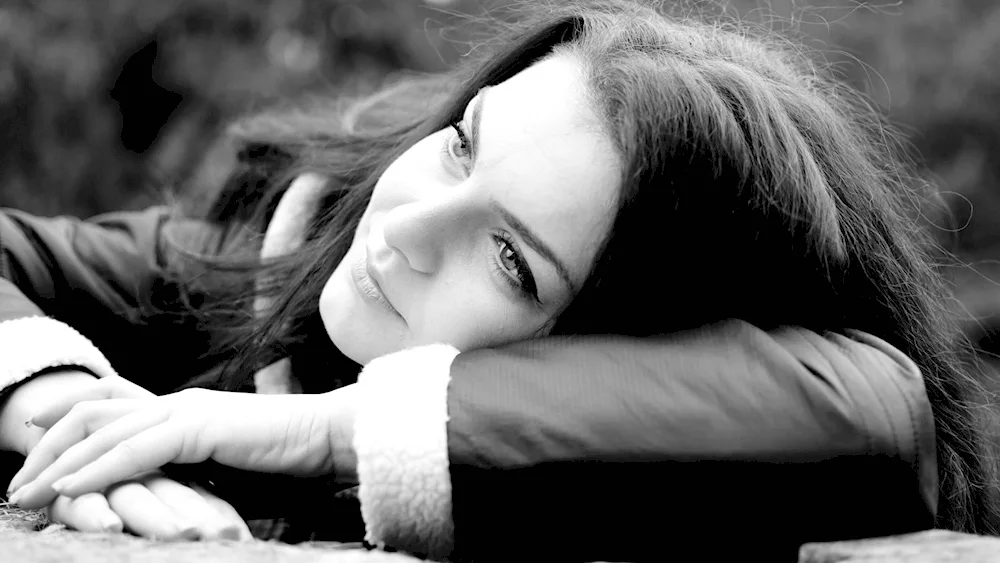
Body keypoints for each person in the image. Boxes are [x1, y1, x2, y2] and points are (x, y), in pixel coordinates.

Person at [1, 1, 998, 560]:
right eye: (461, 148)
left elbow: (869, 407)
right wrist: (79, 420)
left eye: (513, 259)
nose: (408, 230)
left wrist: (315, 432)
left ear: (631, 350)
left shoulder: (722, 447)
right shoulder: (283, 253)